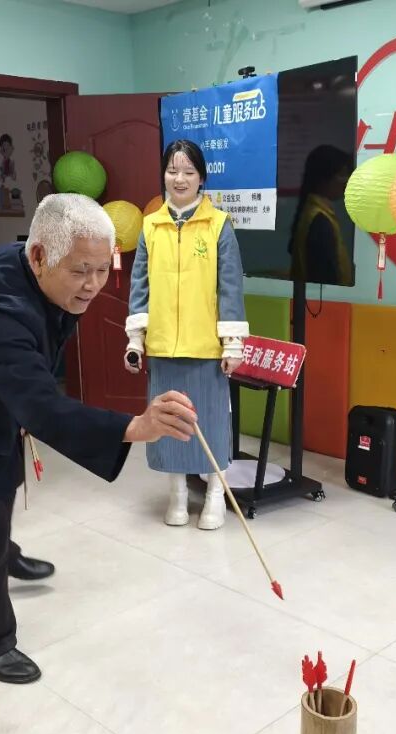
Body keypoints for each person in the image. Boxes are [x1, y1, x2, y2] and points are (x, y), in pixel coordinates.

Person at [0, 194, 197, 685]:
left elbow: (31, 377)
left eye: (103, 269)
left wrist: (20, 399)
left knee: (5, 479)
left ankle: (3, 551)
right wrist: (134, 427)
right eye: (81, 272)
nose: (93, 285)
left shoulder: (28, 263)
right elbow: (41, 405)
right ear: (38, 256)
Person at [124, 140, 248, 531]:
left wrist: (232, 343)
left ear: (201, 178)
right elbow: (139, 286)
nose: (179, 179)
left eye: (188, 172)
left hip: (205, 348)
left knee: (210, 424)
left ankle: (215, 496)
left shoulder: (219, 226)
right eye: (172, 170)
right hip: (164, 347)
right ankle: (177, 495)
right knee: (168, 425)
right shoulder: (150, 226)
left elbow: (230, 288)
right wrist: (136, 339)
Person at [288, 145, 354, 287]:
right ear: (323, 178)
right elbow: (325, 281)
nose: (347, 180)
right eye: (342, 174)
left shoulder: (316, 212)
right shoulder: (319, 221)